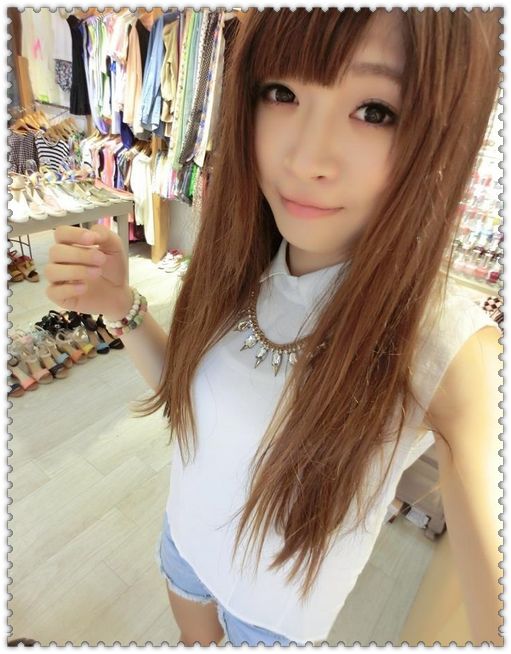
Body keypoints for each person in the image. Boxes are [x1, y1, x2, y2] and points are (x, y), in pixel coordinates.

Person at [45, 8, 503, 647]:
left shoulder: (445, 344)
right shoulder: (241, 253)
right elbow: (190, 399)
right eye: (282, 93)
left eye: (374, 110)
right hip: (184, 546)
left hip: (274, 620)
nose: (306, 158)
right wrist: (122, 305)